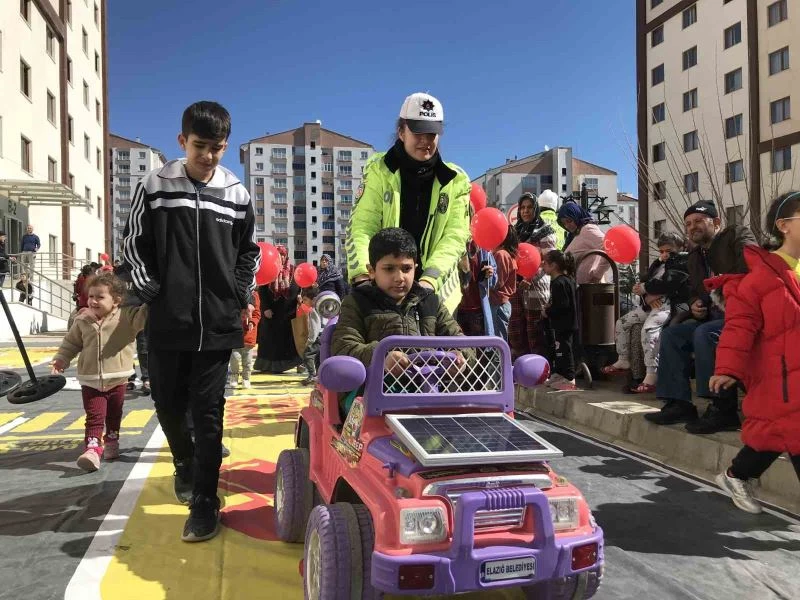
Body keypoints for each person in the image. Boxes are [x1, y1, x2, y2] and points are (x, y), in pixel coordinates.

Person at [122, 101, 260, 543]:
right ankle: (184, 460)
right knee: (166, 405)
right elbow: (133, 245)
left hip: (218, 325)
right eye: (201, 146)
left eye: (218, 148)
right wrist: (153, 291)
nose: (209, 156)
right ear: (182, 142)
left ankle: (204, 500)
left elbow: (249, 253)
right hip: (168, 321)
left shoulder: (236, 192)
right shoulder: (156, 184)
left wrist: (239, 293)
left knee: (209, 415)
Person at [709, 191, 800, 514]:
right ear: (784, 225)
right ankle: (736, 475)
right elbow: (739, 326)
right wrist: (727, 368)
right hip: (782, 381)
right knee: (788, 434)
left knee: (772, 438)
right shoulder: (760, 278)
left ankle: (736, 475)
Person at [345, 93, 471, 315]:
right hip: (382, 290)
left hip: (436, 293)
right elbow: (362, 226)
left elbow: (455, 236)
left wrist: (429, 281)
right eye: (418, 131)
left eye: (431, 133)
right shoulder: (378, 170)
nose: (425, 140)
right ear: (401, 132)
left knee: (439, 350)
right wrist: (363, 277)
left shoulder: (457, 180)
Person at [645, 200, 757, 433]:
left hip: (744, 317)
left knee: (704, 333)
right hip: (713, 319)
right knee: (673, 334)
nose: (692, 227)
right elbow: (695, 293)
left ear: (716, 222)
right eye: (688, 224)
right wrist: (695, 305)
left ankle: (722, 408)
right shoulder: (695, 256)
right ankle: (679, 403)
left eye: (698, 221)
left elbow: (751, 265)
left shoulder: (735, 235)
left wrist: (723, 282)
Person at [50, 272, 148, 472]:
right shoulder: (82, 320)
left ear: (116, 300)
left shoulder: (126, 318)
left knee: (114, 414)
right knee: (94, 416)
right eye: (91, 296)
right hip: (91, 380)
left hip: (118, 379)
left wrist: (152, 298)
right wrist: (62, 358)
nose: (93, 301)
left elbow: (144, 316)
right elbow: (71, 342)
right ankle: (93, 450)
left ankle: (112, 441)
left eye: (100, 297)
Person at [333, 227, 469, 370]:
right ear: (372, 271)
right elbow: (343, 347)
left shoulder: (431, 302)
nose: (399, 278)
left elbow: (463, 343)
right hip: (376, 390)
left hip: (431, 389)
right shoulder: (357, 302)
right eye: (389, 269)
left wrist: (459, 356)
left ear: (415, 269)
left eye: (406, 269)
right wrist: (381, 357)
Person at [602, 232, 689, 392]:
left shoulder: (681, 262)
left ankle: (651, 373)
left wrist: (646, 288)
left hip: (669, 306)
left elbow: (669, 284)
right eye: (661, 251)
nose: (665, 254)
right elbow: (649, 279)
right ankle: (623, 359)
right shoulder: (659, 264)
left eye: (669, 251)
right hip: (651, 305)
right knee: (623, 322)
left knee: (648, 330)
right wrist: (643, 291)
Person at [510, 193, 558, 359]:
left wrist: (530, 278)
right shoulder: (516, 230)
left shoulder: (546, 231)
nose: (525, 211)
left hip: (536, 289)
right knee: (517, 329)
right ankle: (521, 369)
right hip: (516, 288)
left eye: (530, 207)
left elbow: (549, 262)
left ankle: (539, 369)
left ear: (536, 209)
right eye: (522, 208)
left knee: (535, 331)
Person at [254, 245, 302, 374]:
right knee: (270, 339)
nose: (281, 257)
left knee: (289, 339)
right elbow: (262, 290)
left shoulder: (294, 270)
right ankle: (267, 365)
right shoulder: (269, 268)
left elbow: (302, 285)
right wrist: (265, 308)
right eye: (278, 254)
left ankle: (292, 364)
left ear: (286, 256)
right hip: (272, 312)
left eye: (283, 254)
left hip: (289, 312)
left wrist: (300, 296)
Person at [542, 250, 579, 391]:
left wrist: (548, 311)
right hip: (562, 323)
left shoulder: (559, 283)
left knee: (565, 350)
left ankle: (569, 378)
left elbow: (562, 305)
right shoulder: (564, 280)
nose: (542, 266)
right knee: (559, 349)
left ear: (554, 265)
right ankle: (559, 373)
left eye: (545, 263)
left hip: (565, 323)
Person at [556, 202, 607, 284]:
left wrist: (597, 275)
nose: (567, 226)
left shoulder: (587, 229)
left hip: (589, 289)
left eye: (569, 221)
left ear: (576, 216)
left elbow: (609, 247)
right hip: (580, 288)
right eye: (564, 223)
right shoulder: (574, 234)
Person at [456, 241, 496, 336]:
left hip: (477, 310)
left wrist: (489, 275)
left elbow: (493, 281)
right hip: (457, 310)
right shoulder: (454, 247)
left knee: (479, 348)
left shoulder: (483, 250)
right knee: (460, 348)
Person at [490, 226, 518, 341]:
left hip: (498, 303)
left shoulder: (501, 254)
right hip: (500, 303)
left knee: (498, 341)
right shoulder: (506, 254)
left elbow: (497, 282)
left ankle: (500, 360)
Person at [229, 290, 260, 389]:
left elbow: (257, 314)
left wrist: (252, 322)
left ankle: (246, 378)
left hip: (249, 335)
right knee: (234, 358)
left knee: (247, 361)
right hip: (235, 333)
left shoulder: (254, 296)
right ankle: (234, 376)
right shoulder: (235, 292)